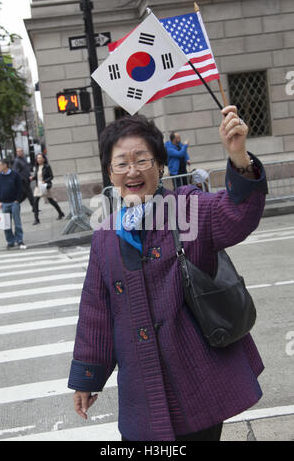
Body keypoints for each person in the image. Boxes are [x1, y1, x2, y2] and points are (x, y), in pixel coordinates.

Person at [68, 106, 268, 442]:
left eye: (142, 159)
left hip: (197, 385)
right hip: (141, 392)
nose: (132, 170)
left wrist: (239, 159)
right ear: (110, 173)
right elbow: (95, 312)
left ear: (160, 166)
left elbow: (237, 214)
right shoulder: (104, 236)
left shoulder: (187, 207)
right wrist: (88, 377)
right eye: (121, 162)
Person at [0, 159, 27, 250]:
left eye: (0, 165)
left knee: (17, 222)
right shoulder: (0, 176)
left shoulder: (15, 175)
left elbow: (20, 188)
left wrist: (17, 200)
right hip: (4, 204)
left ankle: (19, 239)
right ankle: (10, 241)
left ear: (5, 165)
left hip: (14, 203)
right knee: (6, 224)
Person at [32, 153, 65, 225]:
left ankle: (60, 213)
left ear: (43, 159)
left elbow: (51, 176)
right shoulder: (37, 167)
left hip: (44, 186)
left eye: (40, 158)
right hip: (38, 187)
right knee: (35, 202)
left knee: (51, 201)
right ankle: (36, 219)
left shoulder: (47, 166)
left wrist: (45, 181)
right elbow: (37, 176)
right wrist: (32, 178)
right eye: (37, 158)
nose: (39, 159)